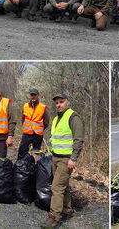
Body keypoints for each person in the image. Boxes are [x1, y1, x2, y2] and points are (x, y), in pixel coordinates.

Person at [43, 94, 84, 228]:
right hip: (55, 157)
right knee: (63, 186)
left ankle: (54, 217)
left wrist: (73, 158)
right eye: (57, 103)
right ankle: (67, 210)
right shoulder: (56, 119)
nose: (59, 104)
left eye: (61, 102)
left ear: (68, 102)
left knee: (56, 187)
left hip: (66, 159)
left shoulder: (73, 117)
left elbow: (78, 139)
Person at [17, 89, 49, 160]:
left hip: (37, 135)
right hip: (27, 134)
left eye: (35, 95)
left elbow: (46, 122)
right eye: (32, 95)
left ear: (38, 96)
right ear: (29, 96)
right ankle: (19, 166)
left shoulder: (43, 107)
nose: (33, 96)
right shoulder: (25, 106)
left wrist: (39, 128)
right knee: (22, 151)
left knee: (36, 153)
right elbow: (23, 119)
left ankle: (35, 168)